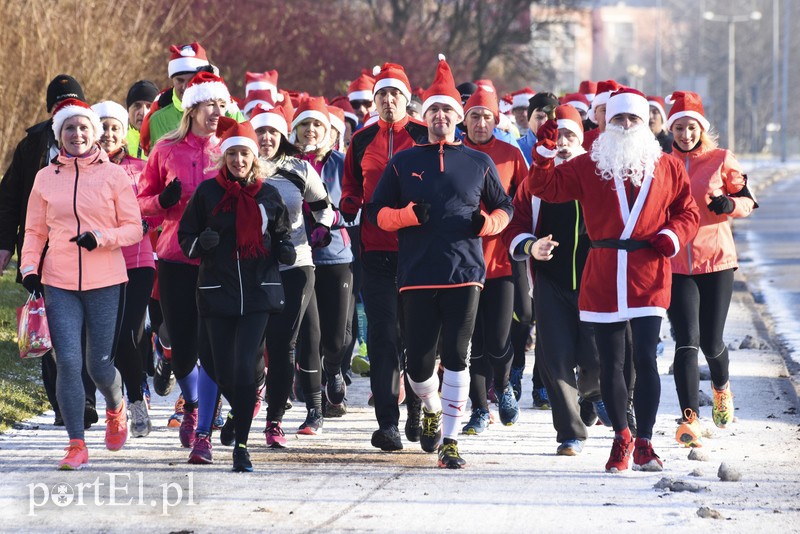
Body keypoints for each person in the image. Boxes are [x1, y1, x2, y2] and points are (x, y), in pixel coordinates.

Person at [527, 88, 699, 473]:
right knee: (609, 363)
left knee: (644, 360)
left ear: (644, 125)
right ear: (606, 124)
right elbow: (544, 187)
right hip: (603, 270)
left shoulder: (667, 166)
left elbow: (688, 212)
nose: (624, 125)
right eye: (618, 119)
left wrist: (672, 236)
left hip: (647, 271)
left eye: (632, 119)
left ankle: (645, 441)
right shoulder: (590, 164)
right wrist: (542, 155)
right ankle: (621, 436)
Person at [367, 55, 513, 469]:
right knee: (416, 366)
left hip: (466, 273)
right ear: (425, 117)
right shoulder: (404, 162)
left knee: (457, 356)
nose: (441, 119)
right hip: (415, 274)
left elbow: (505, 208)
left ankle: (450, 441)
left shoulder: (479, 162)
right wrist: (407, 217)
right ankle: (430, 407)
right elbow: (376, 212)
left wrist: (486, 224)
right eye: (434, 112)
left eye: (448, 112)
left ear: (458, 118)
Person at [20, 99, 143, 470]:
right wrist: (29, 268)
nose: (77, 134)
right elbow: (34, 230)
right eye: (69, 129)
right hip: (58, 281)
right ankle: (76, 443)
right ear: (60, 135)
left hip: (106, 280)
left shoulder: (114, 176)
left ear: (95, 133)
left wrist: (100, 237)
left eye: (84, 128)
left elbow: (134, 228)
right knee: (68, 363)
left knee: (99, 365)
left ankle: (116, 405)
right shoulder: (45, 178)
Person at [178, 117, 294, 472]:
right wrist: (202, 243)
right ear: (224, 157)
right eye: (233, 154)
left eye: (245, 154)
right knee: (219, 368)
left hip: (258, 293)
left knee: (245, 366)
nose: (239, 161)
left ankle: (241, 446)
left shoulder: (268, 195)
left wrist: (285, 248)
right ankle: (240, 410)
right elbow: (185, 237)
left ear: (254, 158)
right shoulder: (207, 194)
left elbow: (282, 233)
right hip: (217, 293)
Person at [137, 71, 232, 453]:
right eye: (211, 105)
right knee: (180, 343)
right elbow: (141, 203)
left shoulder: (228, 147)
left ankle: (204, 421)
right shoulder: (164, 149)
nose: (217, 112)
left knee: (212, 344)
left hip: (219, 259)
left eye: (222, 105)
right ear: (192, 108)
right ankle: (192, 403)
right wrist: (163, 201)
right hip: (176, 257)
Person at [505, 104, 605, 455]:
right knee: (554, 357)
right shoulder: (536, 181)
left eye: (569, 135)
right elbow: (515, 225)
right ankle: (570, 432)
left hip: (596, 282)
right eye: (556, 135)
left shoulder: (598, 173)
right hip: (550, 281)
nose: (562, 142)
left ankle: (594, 392)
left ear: (580, 139)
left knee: (595, 356)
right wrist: (532, 247)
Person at [340, 62, 429, 452]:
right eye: (381, 95)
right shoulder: (360, 140)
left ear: (407, 99)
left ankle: (415, 410)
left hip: (419, 252)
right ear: (373, 101)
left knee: (416, 336)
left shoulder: (424, 135)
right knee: (382, 337)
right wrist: (346, 204)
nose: (388, 100)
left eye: (395, 94)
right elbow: (350, 186)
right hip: (375, 250)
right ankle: (388, 423)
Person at [0, 74, 98, 428]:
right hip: (41, 251)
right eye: (59, 106)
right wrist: (4, 246)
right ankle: (65, 404)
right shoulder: (32, 146)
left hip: (89, 253)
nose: (68, 114)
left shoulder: (94, 140)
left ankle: (84, 399)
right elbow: (9, 198)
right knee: (51, 329)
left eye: (73, 104)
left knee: (83, 329)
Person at [665, 91, 757, 447]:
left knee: (711, 341)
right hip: (676, 263)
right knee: (686, 340)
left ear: (701, 128)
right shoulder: (662, 163)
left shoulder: (721, 159)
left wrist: (729, 203)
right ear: (671, 129)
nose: (685, 134)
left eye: (691, 127)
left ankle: (721, 388)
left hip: (717, 261)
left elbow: (748, 201)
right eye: (679, 128)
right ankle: (690, 420)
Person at [250, 103, 335, 445]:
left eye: (273, 131)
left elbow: (323, 206)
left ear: (283, 134)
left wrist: (321, 230)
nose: (266, 137)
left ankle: (275, 420)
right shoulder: (241, 166)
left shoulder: (298, 167)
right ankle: (252, 393)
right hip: (252, 267)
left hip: (296, 264)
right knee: (250, 345)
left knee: (283, 343)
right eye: (260, 131)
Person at [459, 86, 526, 434]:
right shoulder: (454, 152)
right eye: (474, 116)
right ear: (464, 120)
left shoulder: (511, 154)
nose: (480, 122)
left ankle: (504, 386)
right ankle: (479, 409)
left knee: (500, 340)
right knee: (472, 342)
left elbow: (527, 201)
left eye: (486, 116)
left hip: (501, 261)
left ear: (496, 120)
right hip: (463, 263)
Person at [91, 100, 156, 438]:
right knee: (111, 339)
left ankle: (135, 399)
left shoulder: (141, 168)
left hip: (138, 260)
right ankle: (121, 400)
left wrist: (146, 223)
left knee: (131, 332)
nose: (108, 133)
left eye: (114, 127)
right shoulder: (85, 170)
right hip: (102, 263)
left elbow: (156, 206)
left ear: (124, 133)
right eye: (102, 127)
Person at [518, 92, 559, 166]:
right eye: (539, 117)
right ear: (529, 120)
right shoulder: (516, 148)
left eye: (552, 118)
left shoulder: (565, 149)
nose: (546, 123)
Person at [582, 80, 622, 151]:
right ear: (595, 113)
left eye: (614, 110)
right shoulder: (583, 141)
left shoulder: (627, 140)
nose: (609, 115)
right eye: (605, 110)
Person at [125, 80, 159, 159]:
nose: (143, 112)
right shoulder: (118, 141)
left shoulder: (165, 141)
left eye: (149, 106)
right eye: (137, 106)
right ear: (128, 110)